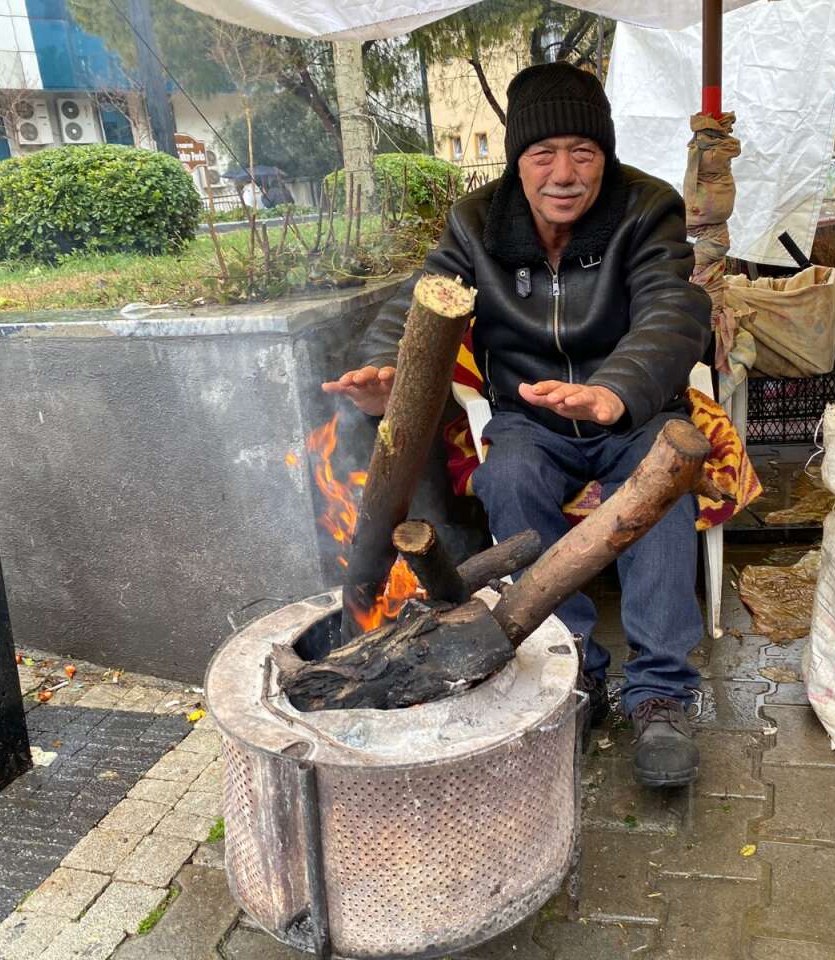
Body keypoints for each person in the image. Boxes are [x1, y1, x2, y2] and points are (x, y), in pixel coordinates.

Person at [324, 62, 712, 789]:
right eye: (543, 155)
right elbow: (419, 303)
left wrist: (614, 390)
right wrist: (384, 368)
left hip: (634, 411)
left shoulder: (646, 206)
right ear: (517, 159)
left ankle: (660, 693)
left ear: (606, 154)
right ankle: (572, 672)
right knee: (508, 476)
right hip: (530, 417)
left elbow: (674, 308)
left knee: (659, 494)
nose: (563, 173)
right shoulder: (476, 222)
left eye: (583, 153)